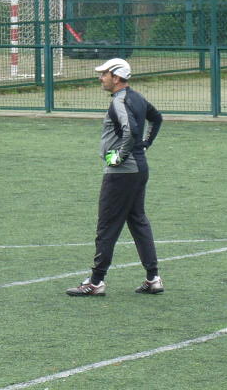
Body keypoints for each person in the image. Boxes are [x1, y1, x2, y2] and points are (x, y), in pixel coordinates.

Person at [66, 58, 164, 296]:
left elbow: (130, 130)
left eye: (104, 74)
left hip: (122, 173)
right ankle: (153, 278)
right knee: (138, 221)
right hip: (139, 169)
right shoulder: (137, 97)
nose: (101, 78)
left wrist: (119, 156)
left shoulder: (119, 102)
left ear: (117, 77)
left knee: (107, 225)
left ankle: (96, 282)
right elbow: (157, 118)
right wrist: (146, 144)